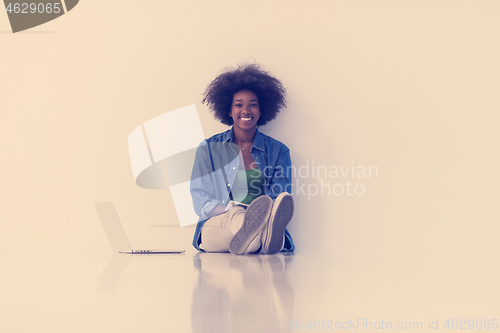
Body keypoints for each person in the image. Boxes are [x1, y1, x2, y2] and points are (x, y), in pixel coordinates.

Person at [190, 63, 294, 255]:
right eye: (239, 105)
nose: (246, 110)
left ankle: (254, 240)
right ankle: (264, 240)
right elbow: (200, 199)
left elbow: (279, 198)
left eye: (253, 104)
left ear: (262, 110)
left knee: (251, 232)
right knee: (237, 215)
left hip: (260, 223)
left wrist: (261, 215)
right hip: (217, 227)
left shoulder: (279, 151)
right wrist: (231, 210)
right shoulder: (208, 149)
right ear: (229, 111)